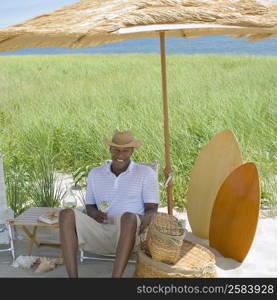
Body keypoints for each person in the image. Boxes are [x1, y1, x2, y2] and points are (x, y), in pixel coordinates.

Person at [59, 129, 160, 278]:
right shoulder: (95, 173)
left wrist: (140, 223)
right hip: (101, 229)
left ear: (132, 151)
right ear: (110, 150)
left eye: (125, 151)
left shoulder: (145, 173)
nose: (120, 155)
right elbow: (90, 206)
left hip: (129, 233)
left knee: (128, 217)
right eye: (116, 150)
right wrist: (95, 214)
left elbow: (152, 210)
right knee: (66, 214)